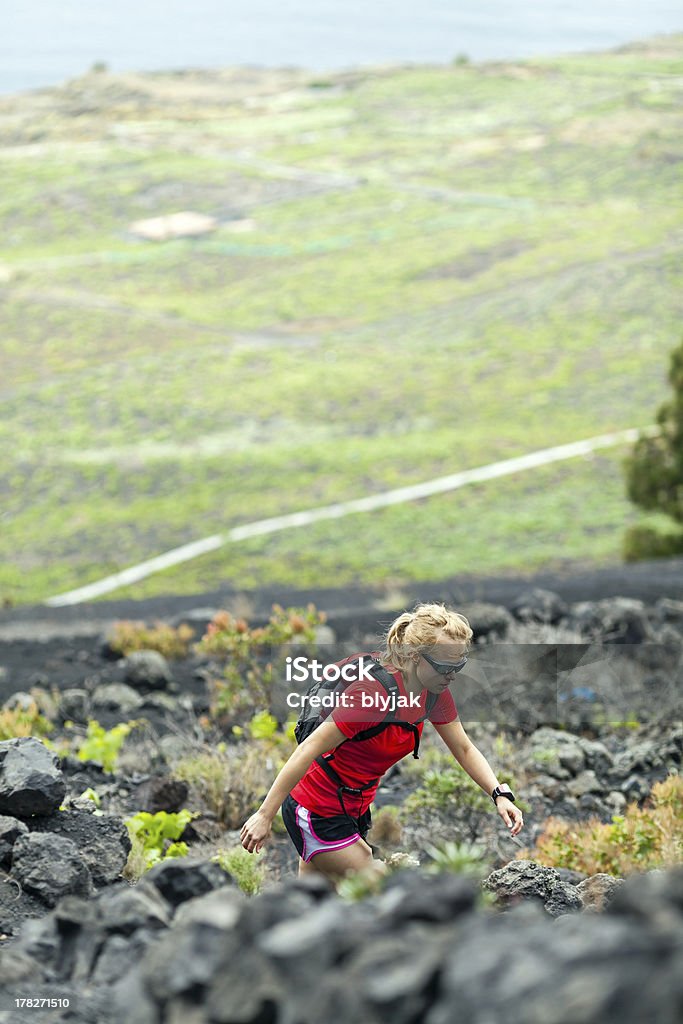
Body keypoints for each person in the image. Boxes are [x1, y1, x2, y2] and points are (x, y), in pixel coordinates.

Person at [240, 602, 524, 884]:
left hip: (355, 808)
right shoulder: (370, 696)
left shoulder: (434, 693)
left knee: (318, 902)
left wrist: (499, 793)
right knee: (384, 885)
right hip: (317, 809)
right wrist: (264, 815)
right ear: (414, 657)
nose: (452, 675)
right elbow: (308, 749)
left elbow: (464, 748)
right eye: (444, 666)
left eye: (458, 666)